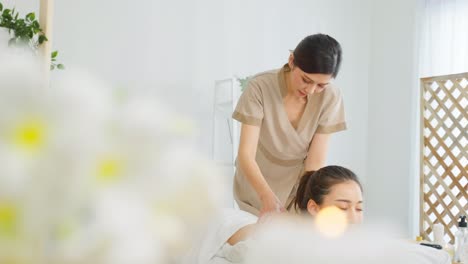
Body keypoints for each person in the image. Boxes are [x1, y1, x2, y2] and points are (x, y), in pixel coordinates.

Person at [233, 33, 346, 216]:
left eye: (321, 85)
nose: (311, 90)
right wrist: (267, 197)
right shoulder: (260, 87)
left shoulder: (330, 97)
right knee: (256, 238)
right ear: (292, 61)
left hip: (297, 185)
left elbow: (314, 164)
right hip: (256, 182)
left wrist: (308, 205)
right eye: (306, 80)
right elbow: (246, 155)